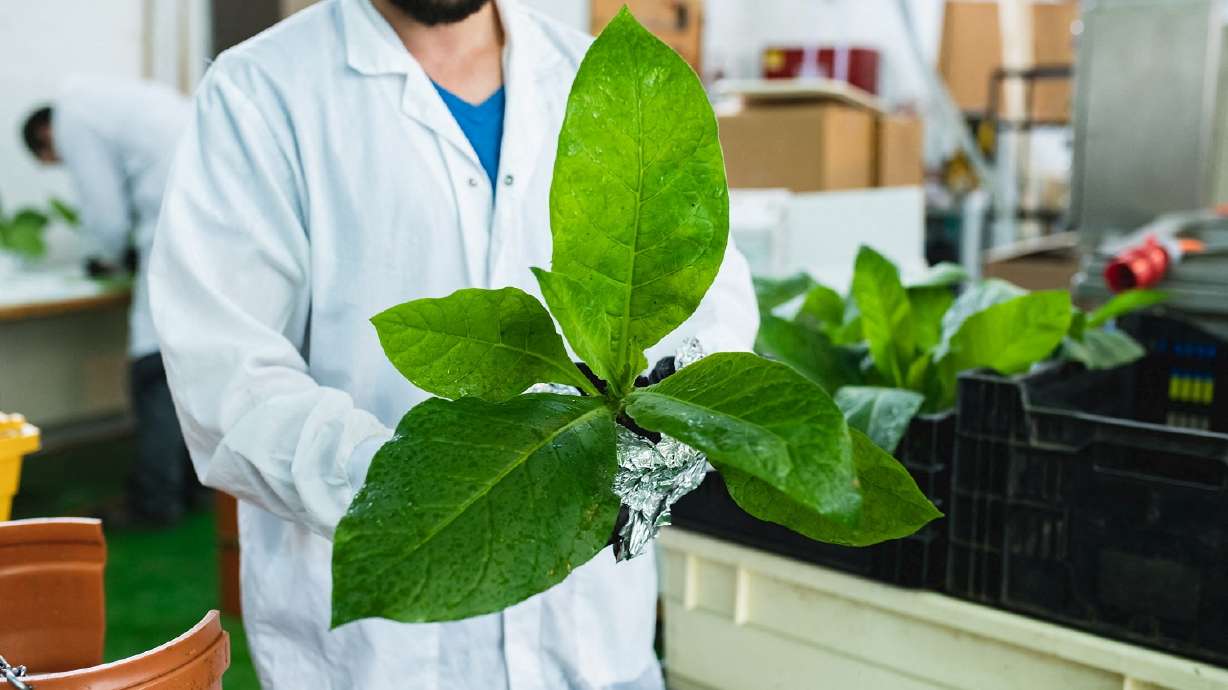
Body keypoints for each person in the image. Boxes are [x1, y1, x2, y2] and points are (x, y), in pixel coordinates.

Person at [149, 0, 757, 687]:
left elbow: (710, 298)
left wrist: (669, 417)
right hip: (383, 660)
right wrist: (439, 494)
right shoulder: (263, 91)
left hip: (593, 649)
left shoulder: (609, 76)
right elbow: (229, 378)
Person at [23, 78, 198, 527]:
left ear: (45, 138)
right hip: (207, 215)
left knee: (153, 368)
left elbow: (106, 215)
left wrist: (105, 257)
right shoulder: (108, 102)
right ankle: (197, 487)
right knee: (196, 362)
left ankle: (155, 500)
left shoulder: (72, 121)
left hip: (172, 227)